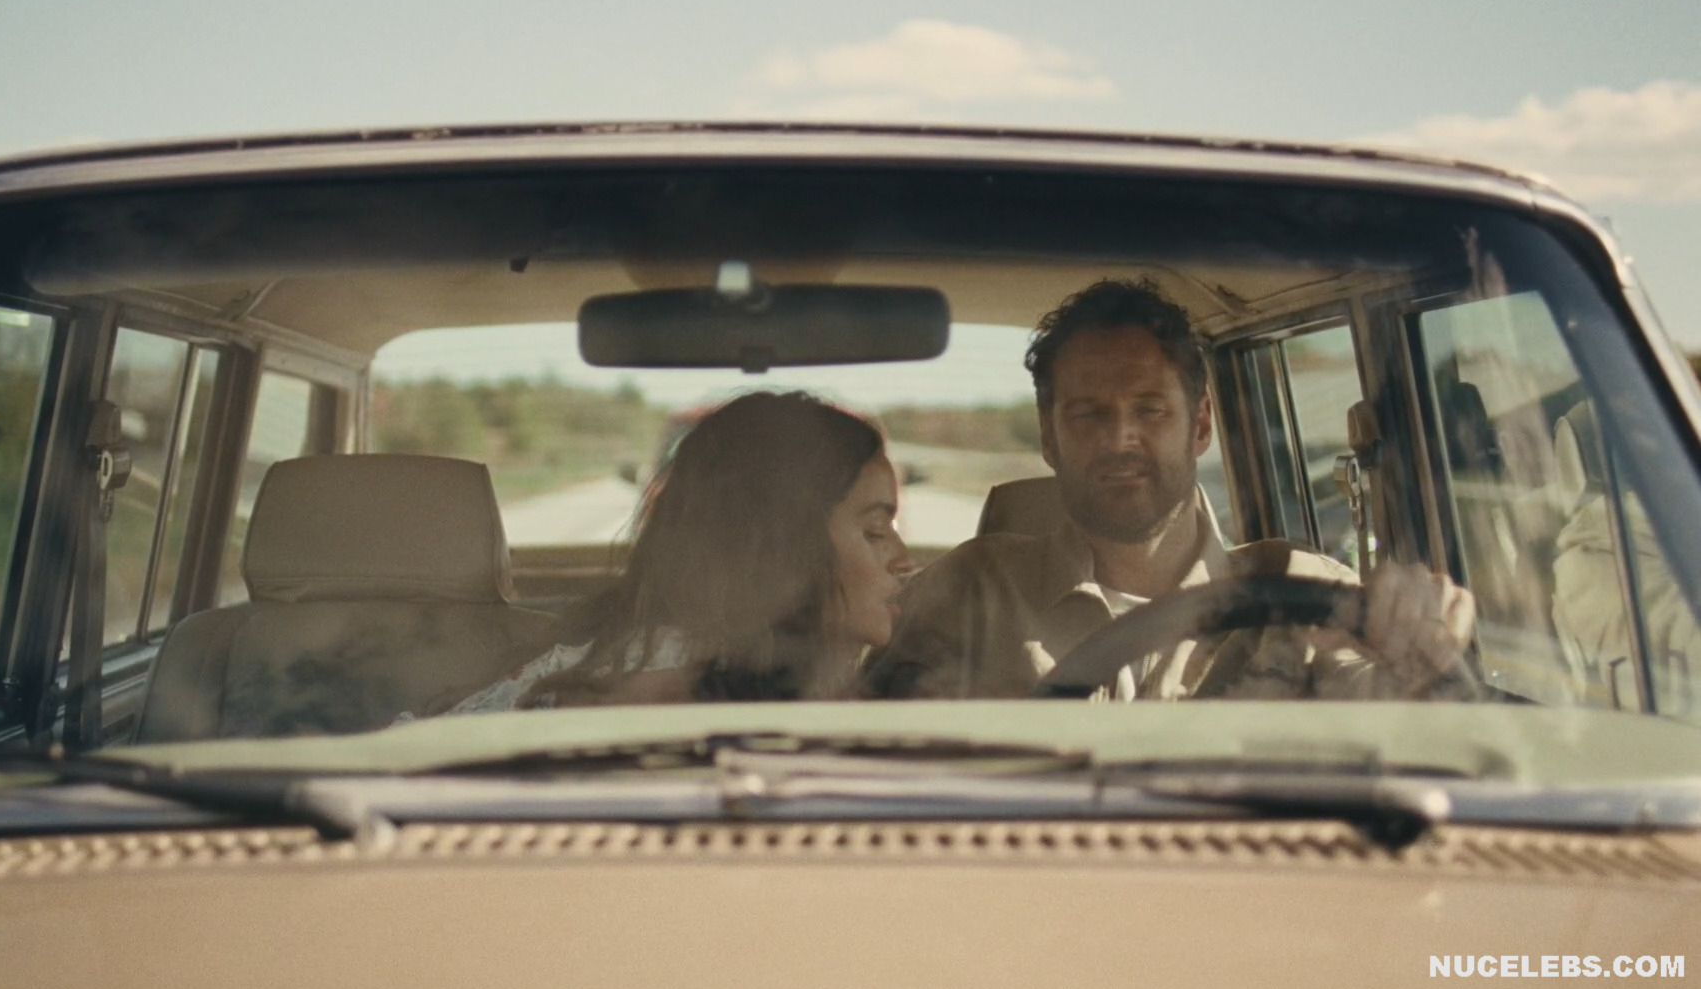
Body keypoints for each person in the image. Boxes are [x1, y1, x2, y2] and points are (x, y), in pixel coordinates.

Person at [864, 278, 1479, 702]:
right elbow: (852, 737)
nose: (1120, 439)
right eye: (1088, 414)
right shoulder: (968, 593)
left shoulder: (1308, 596)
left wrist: (1423, 651)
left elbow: (1394, 726)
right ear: (1049, 437)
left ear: (1201, 425)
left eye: (1150, 409)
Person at [452, 391, 912, 711]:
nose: (905, 561)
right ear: (781, 552)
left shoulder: (813, 679)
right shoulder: (647, 688)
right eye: (875, 531)